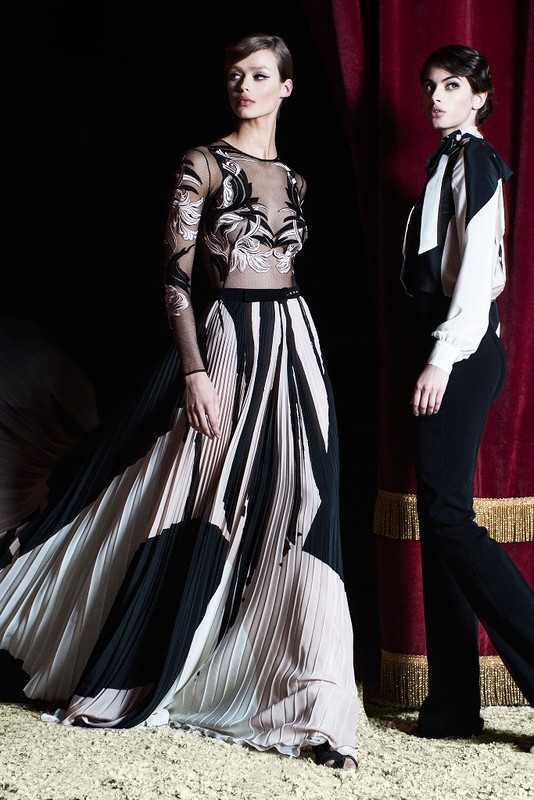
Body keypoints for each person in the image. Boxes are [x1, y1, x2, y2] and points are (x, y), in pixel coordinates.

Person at [0, 33, 358, 770]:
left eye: (259, 74)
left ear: (286, 87)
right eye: (234, 74)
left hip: (296, 340)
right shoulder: (202, 164)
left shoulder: (296, 180)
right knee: (199, 490)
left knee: (303, 500)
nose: (244, 85)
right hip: (225, 341)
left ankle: (310, 701)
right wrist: (195, 371)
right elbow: (175, 280)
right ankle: (147, 660)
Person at [399, 43, 534, 748]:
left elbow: (479, 274)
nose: (436, 96)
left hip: (459, 349)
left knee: (449, 518)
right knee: (439, 517)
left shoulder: (475, 161)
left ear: (480, 97)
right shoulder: (447, 163)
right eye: (431, 85)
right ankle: (452, 703)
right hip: (447, 342)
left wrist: (442, 359)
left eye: (452, 86)